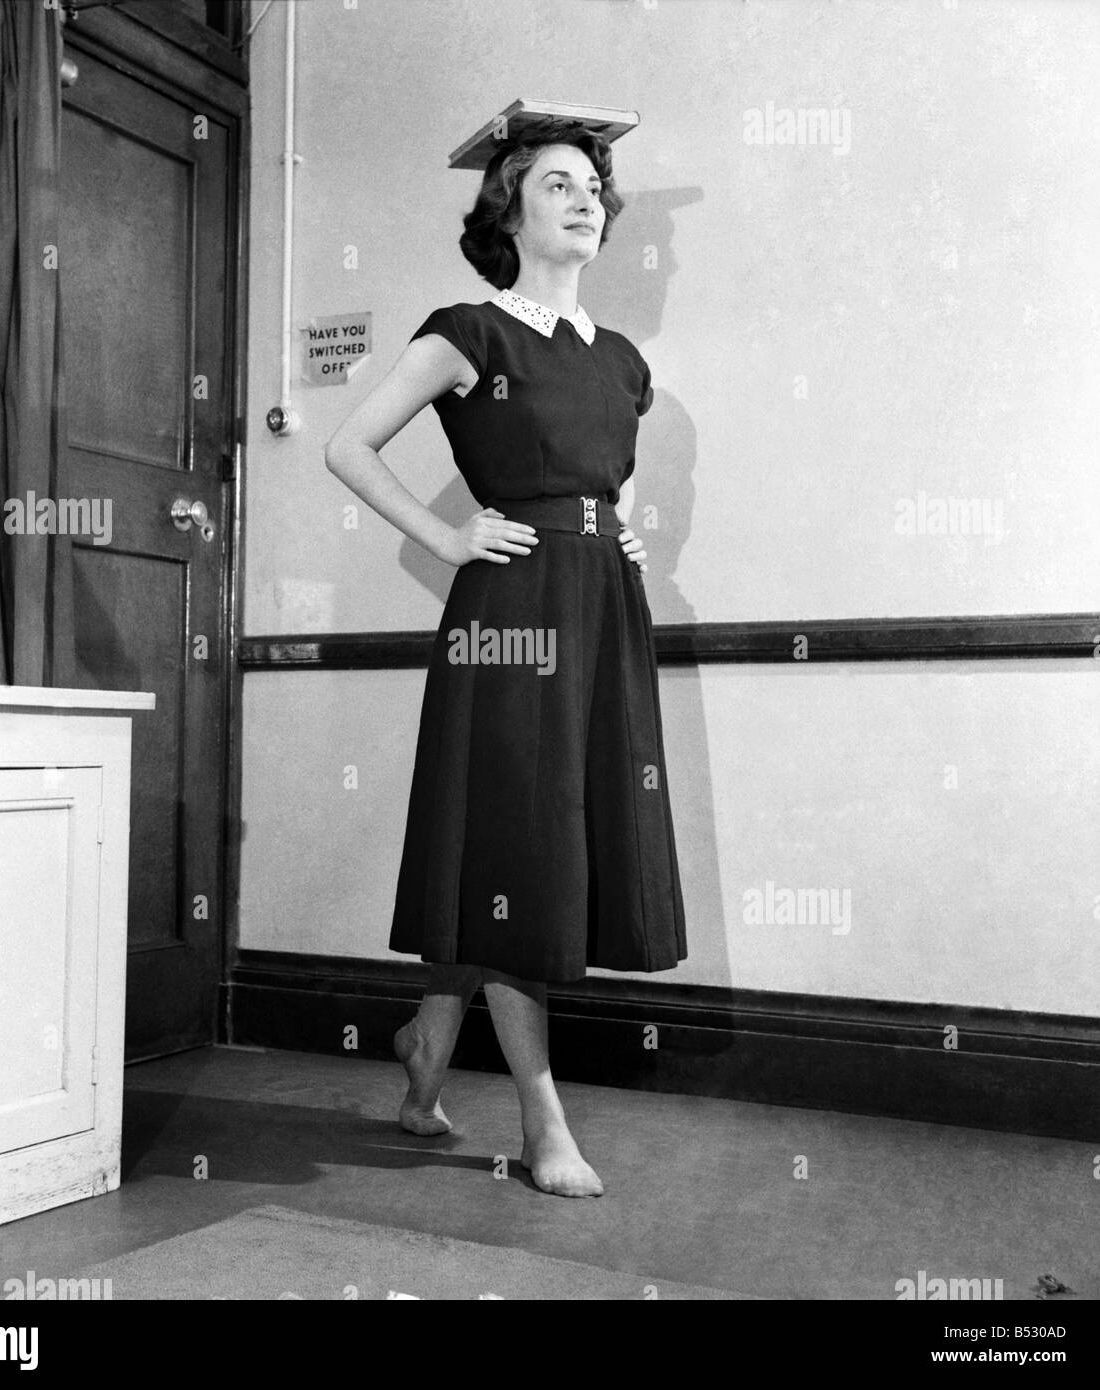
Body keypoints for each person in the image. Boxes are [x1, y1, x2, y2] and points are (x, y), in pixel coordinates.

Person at [324, 117, 686, 1198]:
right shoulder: (469, 332)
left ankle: (426, 1051)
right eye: (558, 186)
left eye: (594, 189)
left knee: (527, 848)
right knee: (519, 849)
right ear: (510, 212)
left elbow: (593, 480)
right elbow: (348, 445)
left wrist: (613, 531)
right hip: (510, 618)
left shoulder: (623, 363)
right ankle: (541, 1120)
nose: (586, 202)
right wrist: (442, 536)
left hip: (600, 610)